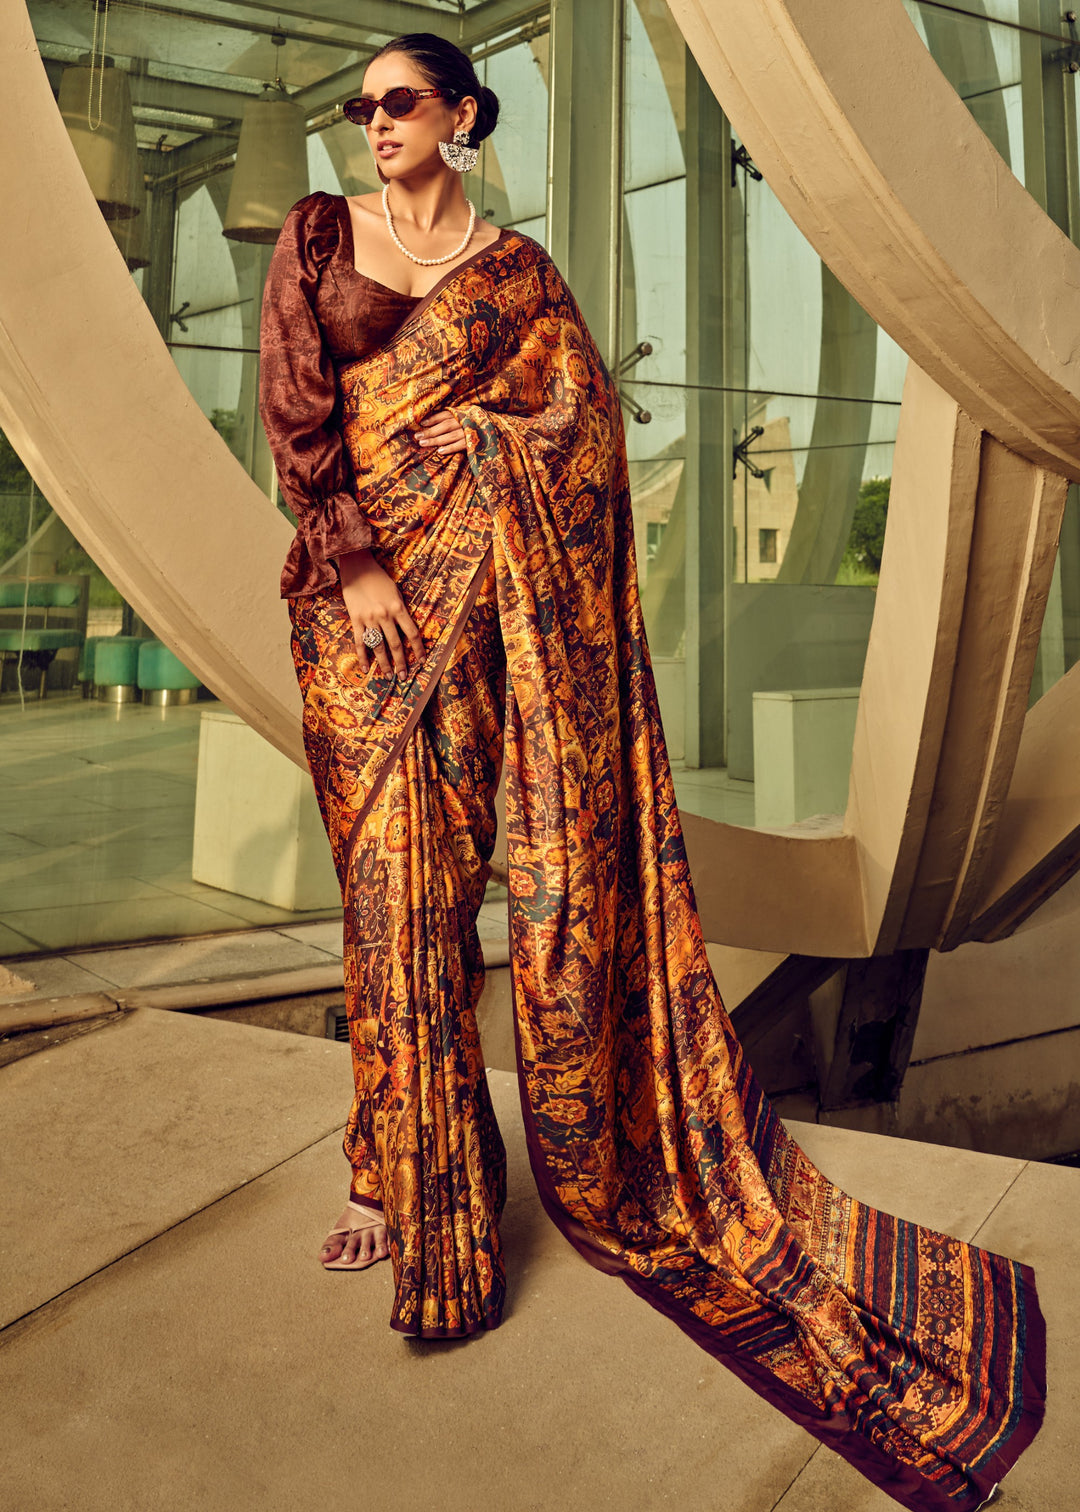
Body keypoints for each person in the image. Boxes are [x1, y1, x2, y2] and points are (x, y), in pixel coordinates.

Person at [258, 32, 1044, 1512]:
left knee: (484, 893)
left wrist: (494, 450)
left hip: (499, 615)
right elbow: (301, 422)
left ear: (464, 115)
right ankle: (403, 1181)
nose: (374, 123)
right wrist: (359, 562)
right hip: (360, 622)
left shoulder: (521, 276)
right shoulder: (317, 238)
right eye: (360, 107)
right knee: (392, 898)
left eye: (400, 102)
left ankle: (458, 1174)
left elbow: (584, 435)